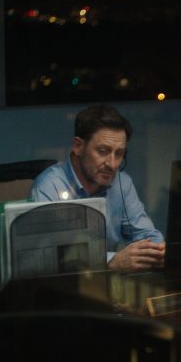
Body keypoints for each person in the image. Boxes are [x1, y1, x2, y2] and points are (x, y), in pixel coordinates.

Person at [29, 104, 165, 272]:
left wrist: (157, 251)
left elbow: (146, 235)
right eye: (102, 151)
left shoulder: (122, 182)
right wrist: (110, 261)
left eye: (119, 153)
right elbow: (53, 260)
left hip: (110, 289)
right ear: (78, 146)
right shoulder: (49, 187)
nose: (112, 164)